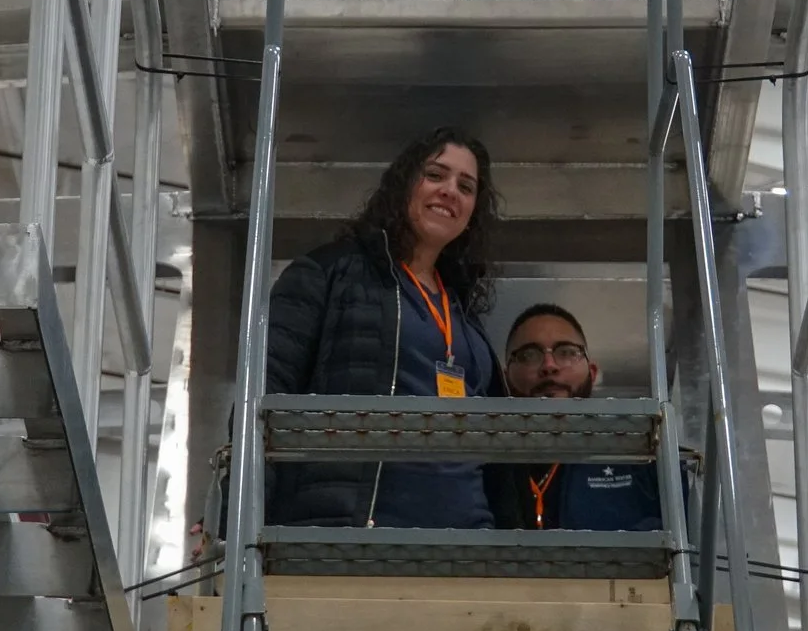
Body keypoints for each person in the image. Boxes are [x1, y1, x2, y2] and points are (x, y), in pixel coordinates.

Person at [264, 127, 504, 528]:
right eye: (435, 175)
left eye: (466, 186)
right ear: (403, 184)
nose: (450, 191)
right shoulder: (329, 272)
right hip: (358, 535)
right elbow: (265, 396)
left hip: (468, 537)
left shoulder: (462, 310)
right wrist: (233, 512)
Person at [486, 302, 662, 532]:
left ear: (592, 372)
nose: (549, 366)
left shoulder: (644, 456)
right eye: (529, 355)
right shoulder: (480, 464)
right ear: (505, 378)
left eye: (567, 352)